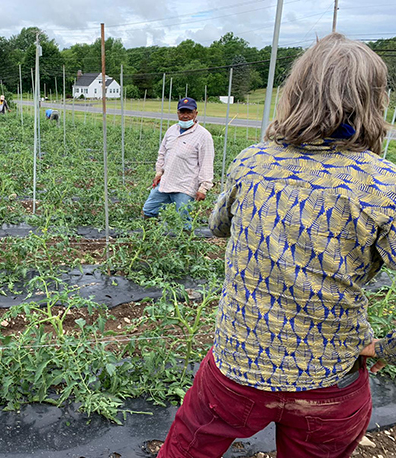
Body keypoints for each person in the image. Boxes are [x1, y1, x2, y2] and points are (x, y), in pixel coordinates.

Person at [158, 33, 393, 458]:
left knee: (187, 449)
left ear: (295, 93)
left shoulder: (254, 161)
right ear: (373, 101)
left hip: (238, 366)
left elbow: (219, 226)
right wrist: (387, 348)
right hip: (329, 379)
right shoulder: (383, 186)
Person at [142, 97, 214, 230]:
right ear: (178, 113)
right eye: (182, 112)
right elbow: (162, 153)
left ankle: (185, 244)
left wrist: (203, 188)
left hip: (185, 185)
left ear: (195, 114)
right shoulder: (172, 130)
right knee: (149, 209)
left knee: (183, 217)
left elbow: (207, 163)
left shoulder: (203, 136)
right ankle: (150, 238)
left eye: (189, 112)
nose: (185, 116)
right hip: (166, 181)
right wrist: (159, 172)